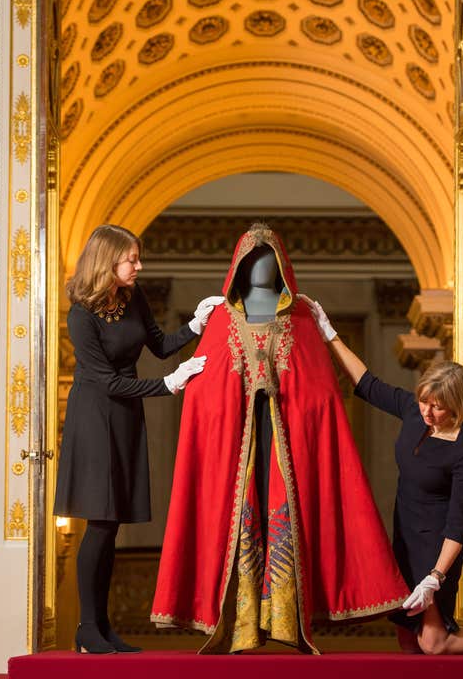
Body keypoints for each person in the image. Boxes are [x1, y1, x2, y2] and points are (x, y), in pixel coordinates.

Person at [151, 223, 409, 654]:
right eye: (251, 259)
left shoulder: (303, 318)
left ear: (283, 267)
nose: (260, 266)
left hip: (286, 443)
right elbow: (206, 401)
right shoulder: (219, 319)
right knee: (242, 517)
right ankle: (241, 623)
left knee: (284, 517)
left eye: (269, 258)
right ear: (237, 266)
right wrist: (217, 398)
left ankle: (285, 618)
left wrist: (289, 405)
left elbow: (322, 398)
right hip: (237, 445)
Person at [303, 296, 463, 679]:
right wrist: (328, 333)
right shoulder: (412, 411)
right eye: (424, 400)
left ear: (458, 408)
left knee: (434, 642)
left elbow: (459, 524)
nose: (427, 411)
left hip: (436, 549)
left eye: (437, 407)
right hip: (405, 535)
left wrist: (435, 578)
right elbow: (366, 383)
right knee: (410, 639)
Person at [53, 224, 223, 655]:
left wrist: (197, 325)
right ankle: (87, 628)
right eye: (132, 258)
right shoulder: (81, 315)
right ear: (107, 261)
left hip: (126, 415)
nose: (138, 266)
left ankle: (101, 627)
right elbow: (107, 382)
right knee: (100, 522)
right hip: (93, 419)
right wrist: (167, 386)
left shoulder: (132, 298)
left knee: (112, 527)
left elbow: (162, 345)